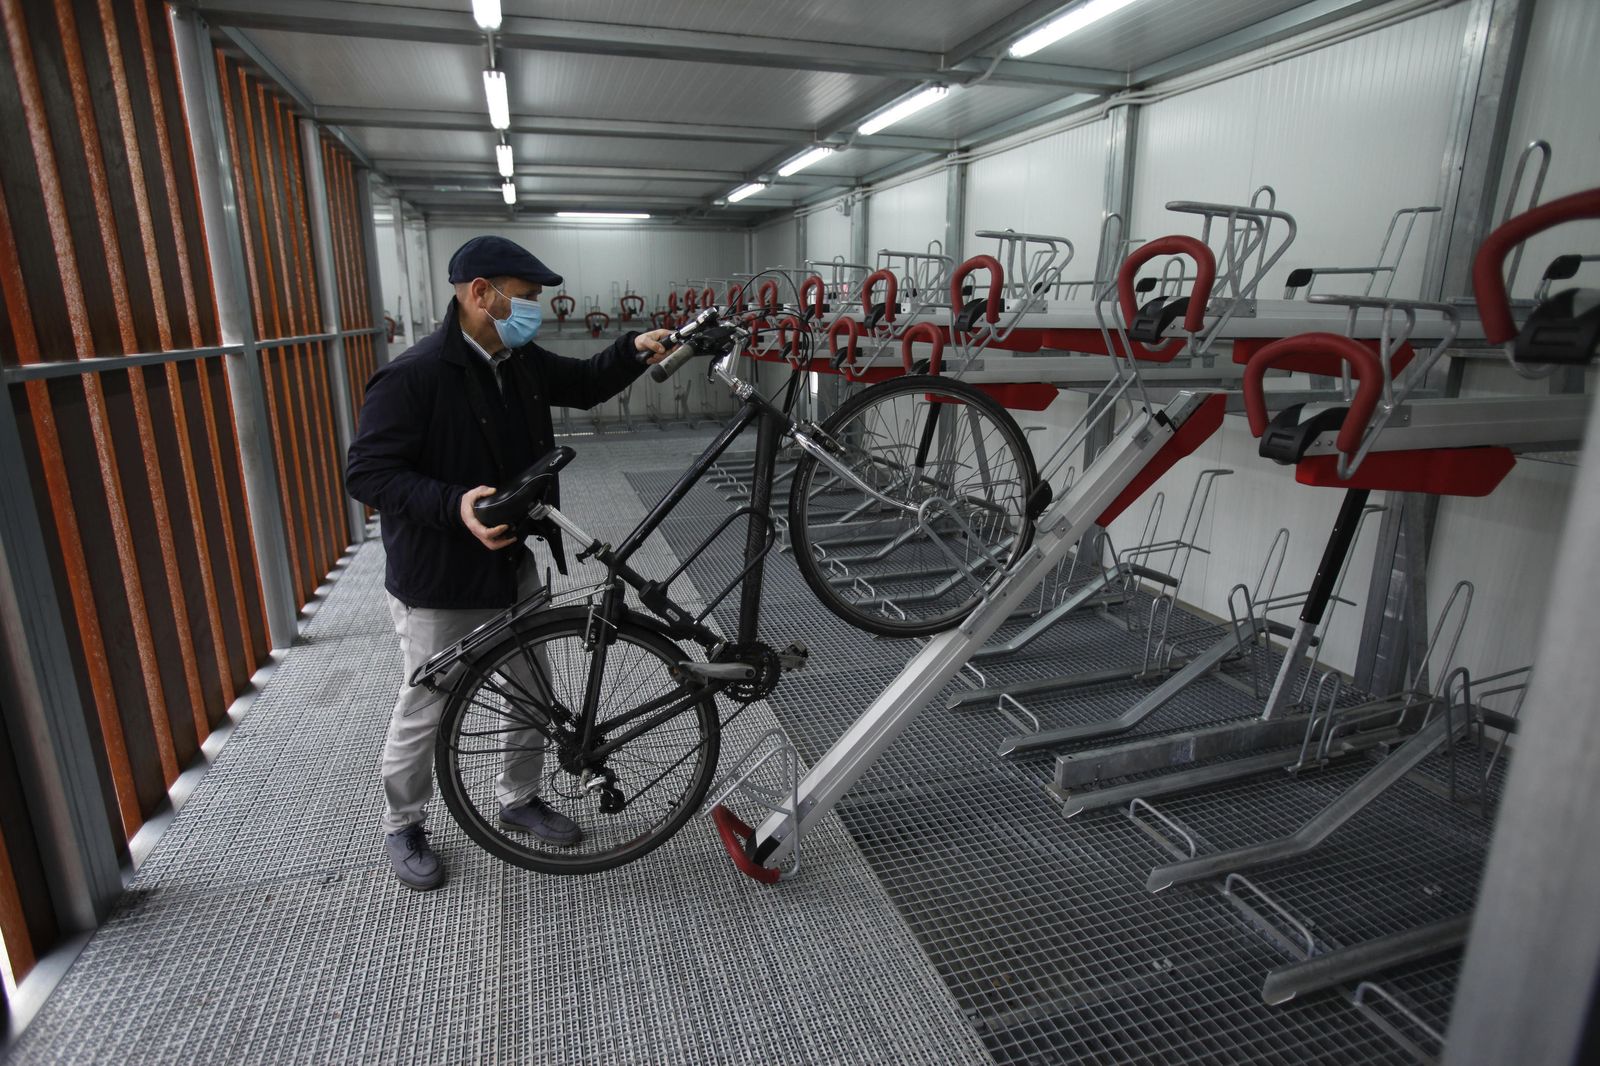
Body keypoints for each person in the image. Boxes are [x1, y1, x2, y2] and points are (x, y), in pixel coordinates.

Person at [346, 235, 671, 890]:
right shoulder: (413, 376)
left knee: (531, 691)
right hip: (439, 580)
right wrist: (454, 504)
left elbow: (584, 383)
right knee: (428, 704)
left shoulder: (515, 360)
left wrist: (634, 349)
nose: (533, 311)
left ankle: (518, 797)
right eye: (523, 297)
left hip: (511, 564)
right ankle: (403, 822)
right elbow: (368, 472)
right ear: (480, 293)